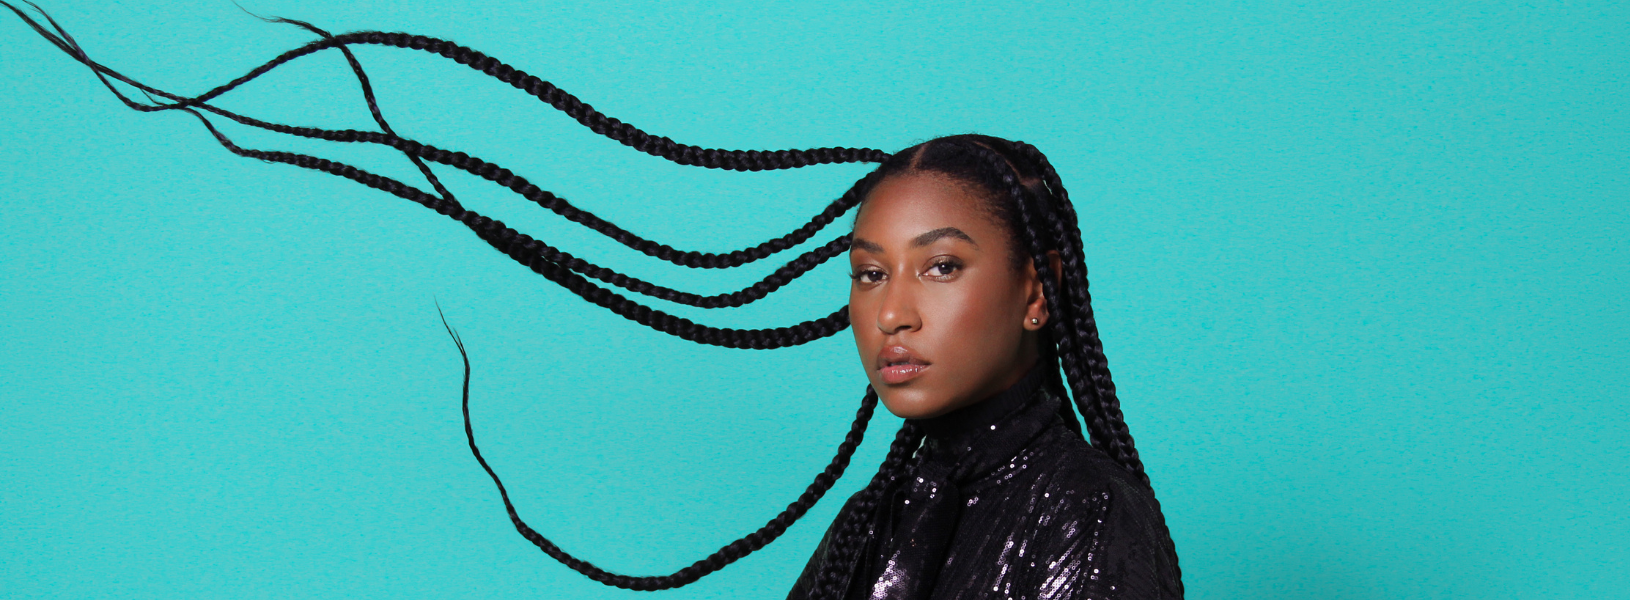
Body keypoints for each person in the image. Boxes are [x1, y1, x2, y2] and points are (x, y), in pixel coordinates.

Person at [5, 4, 1183, 598]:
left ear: (1037, 293)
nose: (891, 311)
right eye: (867, 272)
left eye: (938, 265)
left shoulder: (1082, 516)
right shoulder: (889, 500)